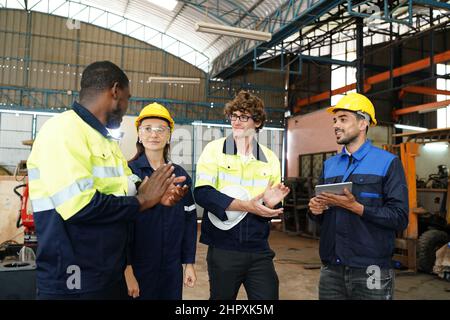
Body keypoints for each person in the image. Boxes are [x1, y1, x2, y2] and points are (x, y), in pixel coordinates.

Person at [27, 61, 188, 299]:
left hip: (106, 274)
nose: (125, 108)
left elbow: (126, 186)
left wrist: (156, 193)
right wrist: (142, 201)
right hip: (74, 280)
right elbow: (79, 206)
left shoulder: (105, 141)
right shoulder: (63, 130)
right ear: (115, 92)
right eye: (127, 98)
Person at [308, 92, 409, 300]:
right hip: (332, 268)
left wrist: (357, 208)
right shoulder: (330, 165)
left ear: (363, 123)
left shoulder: (388, 163)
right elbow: (321, 217)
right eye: (335, 120)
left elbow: (400, 217)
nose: (336, 125)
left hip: (371, 269)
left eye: (343, 119)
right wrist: (315, 211)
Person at [194, 90, 290, 300]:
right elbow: (202, 194)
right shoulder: (214, 150)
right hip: (223, 247)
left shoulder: (270, 158)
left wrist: (270, 203)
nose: (236, 122)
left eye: (243, 117)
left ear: (257, 122)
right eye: (234, 116)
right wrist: (247, 205)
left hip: (259, 247)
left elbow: (267, 204)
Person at [124, 103, 197, 300]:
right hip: (139, 265)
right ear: (139, 134)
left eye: (160, 130)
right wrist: (127, 268)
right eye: (147, 129)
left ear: (168, 136)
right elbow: (121, 224)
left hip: (171, 267)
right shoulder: (128, 172)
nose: (153, 135)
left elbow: (190, 220)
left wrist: (188, 262)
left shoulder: (180, 176)